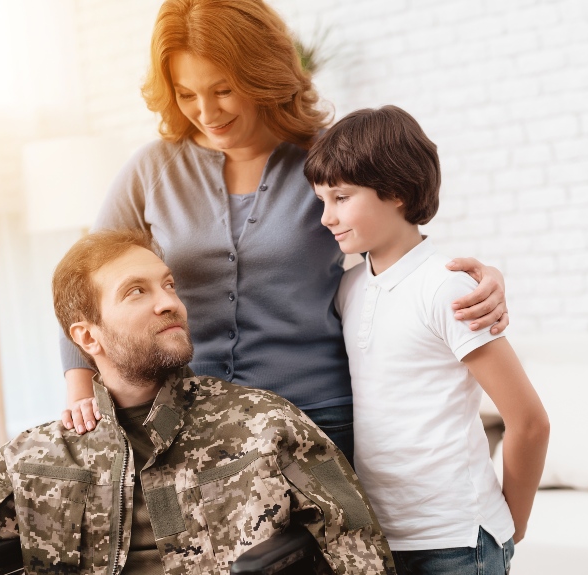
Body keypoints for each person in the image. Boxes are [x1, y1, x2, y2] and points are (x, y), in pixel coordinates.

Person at [58, 0, 511, 463]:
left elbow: (400, 238)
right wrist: (81, 389)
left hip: (317, 420)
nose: (207, 112)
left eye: (224, 90)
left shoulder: (324, 159)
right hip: (196, 426)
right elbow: (82, 286)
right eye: (186, 93)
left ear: (262, 75)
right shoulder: (153, 169)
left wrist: (478, 278)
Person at [0, 229, 395, 575]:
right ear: (88, 337)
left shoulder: (265, 424)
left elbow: (361, 550)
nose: (169, 301)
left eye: (168, 285)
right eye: (136, 292)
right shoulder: (34, 459)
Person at [304, 106, 550, 575]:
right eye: (321, 200)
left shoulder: (448, 287)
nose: (325, 217)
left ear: (395, 191)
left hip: (457, 540)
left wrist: (512, 526)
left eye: (340, 197)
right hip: (385, 536)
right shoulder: (350, 289)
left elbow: (530, 422)